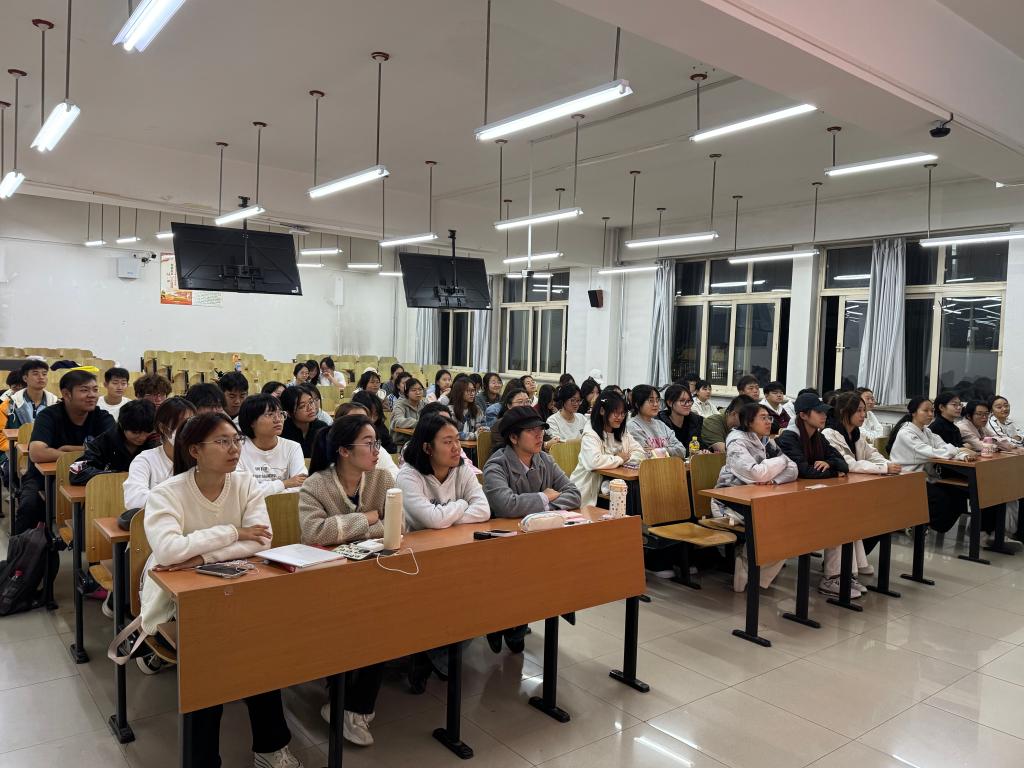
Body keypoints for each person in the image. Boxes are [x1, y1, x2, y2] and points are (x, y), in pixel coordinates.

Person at [143, 412, 303, 768]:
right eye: (222, 441)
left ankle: (270, 747)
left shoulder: (245, 484)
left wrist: (200, 555)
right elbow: (168, 551)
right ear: (195, 450)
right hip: (176, 598)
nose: (234, 449)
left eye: (236, 440)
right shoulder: (167, 493)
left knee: (260, 650)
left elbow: (262, 540)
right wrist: (234, 533)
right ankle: (205, 759)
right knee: (213, 659)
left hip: (237, 588)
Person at [299, 414, 394, 746]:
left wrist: (345, 527)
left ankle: (354, 706)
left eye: (377, 443)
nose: (377, 450)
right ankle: (345, 702)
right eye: (369, 444)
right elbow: (314, 534)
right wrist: (368, 518)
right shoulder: (316, 485)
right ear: (343, 450)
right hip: (327, 582)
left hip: (376, 575)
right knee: (352, 624)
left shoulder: (382, 479)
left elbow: (397, 527)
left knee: (386, 620)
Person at [482, 406, 581, 653]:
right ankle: (499, 624)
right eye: (531, 431)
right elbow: (505, 505)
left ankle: (518, 624)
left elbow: (574, 493)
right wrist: (545, 497)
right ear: (513, 437)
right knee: (517, 580)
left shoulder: (544, 459)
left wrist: (541, 508)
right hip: (504, 544)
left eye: (541, 429)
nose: (539, 435)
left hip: (538, 540)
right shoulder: (496, 465)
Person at [819, 391, 902, 597]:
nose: (863, 415)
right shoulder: (830, 434)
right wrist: (883, 469)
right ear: (844, 412)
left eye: (864, 410)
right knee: (843, 526)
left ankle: (848, 574)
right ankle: (832, 577)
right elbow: (848, 464)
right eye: (859, 411)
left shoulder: (856, 434)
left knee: (861, 525)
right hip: (832, 493)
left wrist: (888, 464)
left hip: (852, 491)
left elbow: (872, 455)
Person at [709, 402, 798, 592]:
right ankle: (747, 570)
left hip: (760, 499)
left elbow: (793, 469)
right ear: (749, 422)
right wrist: (781, 461)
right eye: (763, 418)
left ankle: (752, 575)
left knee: (791, 528)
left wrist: (773, 480)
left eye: (769, 418)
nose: (769, 422)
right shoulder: (736, 442)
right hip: (729, 502)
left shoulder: (766, 440)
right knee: (772, 526)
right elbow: (756, 473)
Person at [18, 369, 115, 533]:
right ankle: (24, 546)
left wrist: (68, 450)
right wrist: (88, 452)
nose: (92, 395)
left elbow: (112, 450)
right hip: (44, 478)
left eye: (95, 390)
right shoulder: (48, 416)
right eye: (84, 390)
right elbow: (36, 453)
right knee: (29, 505)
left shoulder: (103, 417)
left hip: (90, 475)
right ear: (66, 394)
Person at [888, 397, 975, 534]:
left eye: (932, 411)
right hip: (906, 478)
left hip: (925, 477)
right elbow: (932, 452)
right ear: (914, 412)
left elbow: (943, 446)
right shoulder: (906, 433)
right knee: (942, 498)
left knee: (959, 494)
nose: (930, 414)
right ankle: (916, 523)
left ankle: (925, 524)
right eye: (926, 411)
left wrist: (963, 455)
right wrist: (958, 451)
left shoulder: (927, 432)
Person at [397, 412, 490, 530]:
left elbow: (483, 510)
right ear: (427, 448)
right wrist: (462, 504)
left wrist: (445, 519)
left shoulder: (462, 470)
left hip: (455, 538)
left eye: (457, 440)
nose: (456, 447)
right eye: (448, 442)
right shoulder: (408, 476)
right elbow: (433, 520)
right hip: (419, 541)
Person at [569, 391, 645, 508]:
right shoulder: (591, 433)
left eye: (623, 413)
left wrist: (625, 459)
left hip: (614, 484)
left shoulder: (622, 432)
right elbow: (593, 462)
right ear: (602, 411)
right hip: (590, 491)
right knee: (629, 491)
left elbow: (640, 453)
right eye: (616, 413)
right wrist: (619, 459)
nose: (620, 417)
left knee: (634, 488)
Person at [124, 397, 196, 512]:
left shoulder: (201, 457)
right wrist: (178, 500)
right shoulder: (145, 460)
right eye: (182, 423)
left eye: (192, 422)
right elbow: (134, 499)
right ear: (163, 428)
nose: (188, 429)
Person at [70, 399, 159, 486]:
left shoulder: (156, 442)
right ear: (122, 425)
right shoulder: (105, 441)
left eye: (147, 431)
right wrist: (115, 475)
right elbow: (76, 472)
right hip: (110, 491)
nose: (142, 438)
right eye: (135, 432)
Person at [237, 394, 307, 494]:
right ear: (251, 422)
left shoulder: (293, 447)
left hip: (285, 504)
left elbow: (301, 486)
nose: (278, 419)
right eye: (270, 414)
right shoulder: (237, 448)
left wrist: (264, 492)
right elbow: (241, 490)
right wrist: (284, 484)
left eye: (280, 413)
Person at [777, 392, 849, 480]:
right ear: (803, 415)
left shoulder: (819, 437)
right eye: (819, 412)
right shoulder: (788, 439)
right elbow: (803, 471)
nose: (824, 416)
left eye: (824, 412)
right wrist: (835, 472)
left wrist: (829, 463)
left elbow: (844, 465)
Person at [628, 385, 686, 458]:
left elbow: (682, 450)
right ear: (637, 404)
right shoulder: (633, 426)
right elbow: (646, 455)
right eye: (651, 401)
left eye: (657, 400)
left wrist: (658, 450)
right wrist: (667, 450)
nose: (655, 404)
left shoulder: (661, 424)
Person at [279, 385, 326, 458]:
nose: (310, 408)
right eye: (302, 406)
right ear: (288, 413)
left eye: (311, 402)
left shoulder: (322, 427)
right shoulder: (281, 432)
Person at [8, 359, 58, 427]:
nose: (41, 377)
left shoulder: (56, 404)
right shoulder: (10, 404)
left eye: (44, 374)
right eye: (35, 374)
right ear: (25, 378)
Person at [657, 383, 703, 454]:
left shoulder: (695, 420)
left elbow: (699, 444)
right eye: (682, 401)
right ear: (670, 403)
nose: (687, 404)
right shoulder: (660, 422)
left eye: (689, 401)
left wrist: (704, 450)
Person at [352, 390, 397, 455]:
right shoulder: (349, 429)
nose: (372, 419)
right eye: (368, 414)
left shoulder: (379, 426)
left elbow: (391, 448)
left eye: (376, 415)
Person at [391, 377, 425, 445]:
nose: (418, 392)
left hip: (420, 440)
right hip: (402, 443)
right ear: (407, 393)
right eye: (414, 390)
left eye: (420, 389)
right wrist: (419, 423)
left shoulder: (424, 404)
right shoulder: (399, 404)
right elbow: (398, 421)